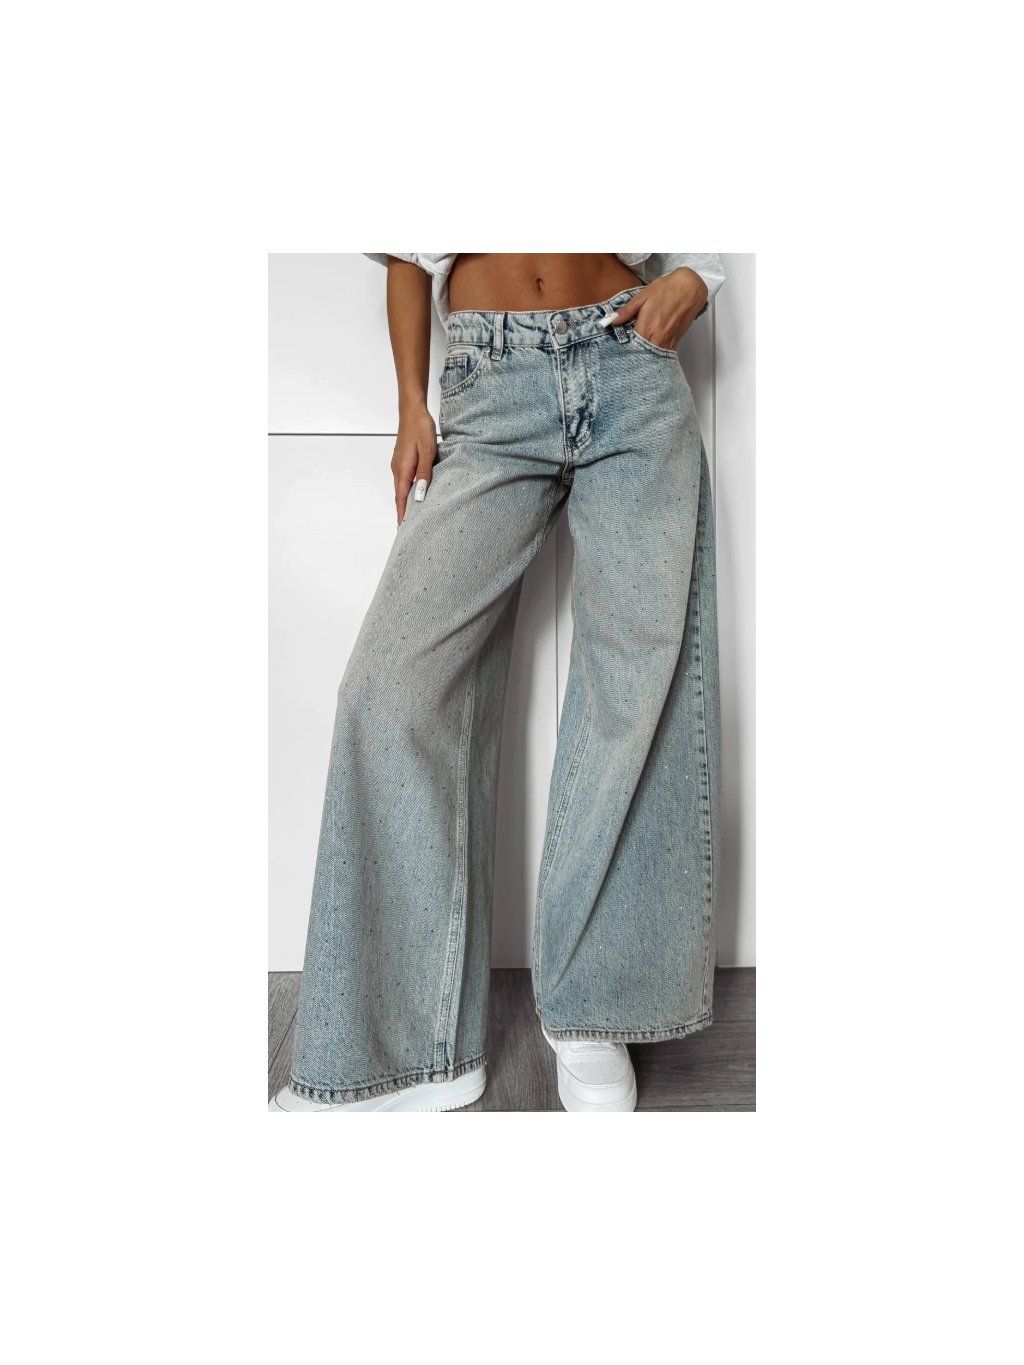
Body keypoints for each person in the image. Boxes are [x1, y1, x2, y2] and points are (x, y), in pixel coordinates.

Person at [270, 253, 723, 1112]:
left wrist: (697, 278)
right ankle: (411, 1051)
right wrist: (412, 405)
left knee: (635, 688)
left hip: (632, 366)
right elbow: (405, 253)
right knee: (388, 690)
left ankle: (595, 1009)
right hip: (491, 379)